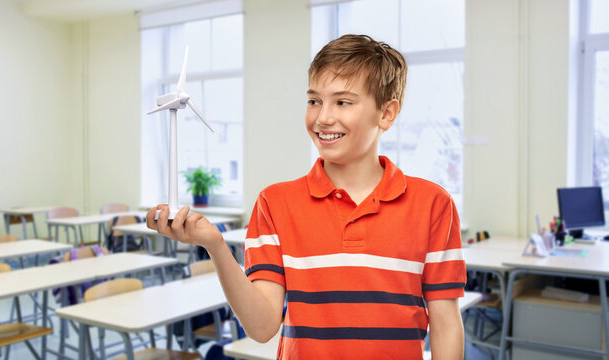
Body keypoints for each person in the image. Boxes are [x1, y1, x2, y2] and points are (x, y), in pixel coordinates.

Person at [147, 34, 466, 359]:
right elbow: (262, 327)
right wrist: (214, 244)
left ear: (386, 113)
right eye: (314, 100)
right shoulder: (275, 203)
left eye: (342, 102)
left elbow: (446, 324)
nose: (323, 117)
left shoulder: (433, 204)